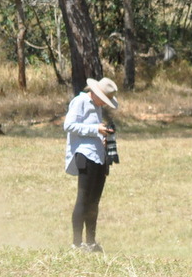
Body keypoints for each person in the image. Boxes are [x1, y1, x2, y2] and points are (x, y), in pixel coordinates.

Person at [64, 77, 119, 252]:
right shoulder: (80, 101)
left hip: (99, 156)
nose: (103, 104)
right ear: (94, 92)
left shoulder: (96, 106)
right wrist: (95, 129)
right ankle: (77, 243)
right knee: (83, 199)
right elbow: (69, 125)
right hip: (84, 154)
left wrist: (104, 135)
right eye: (102, 100)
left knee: (94, 201)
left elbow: (95, 128)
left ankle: (91, 242)